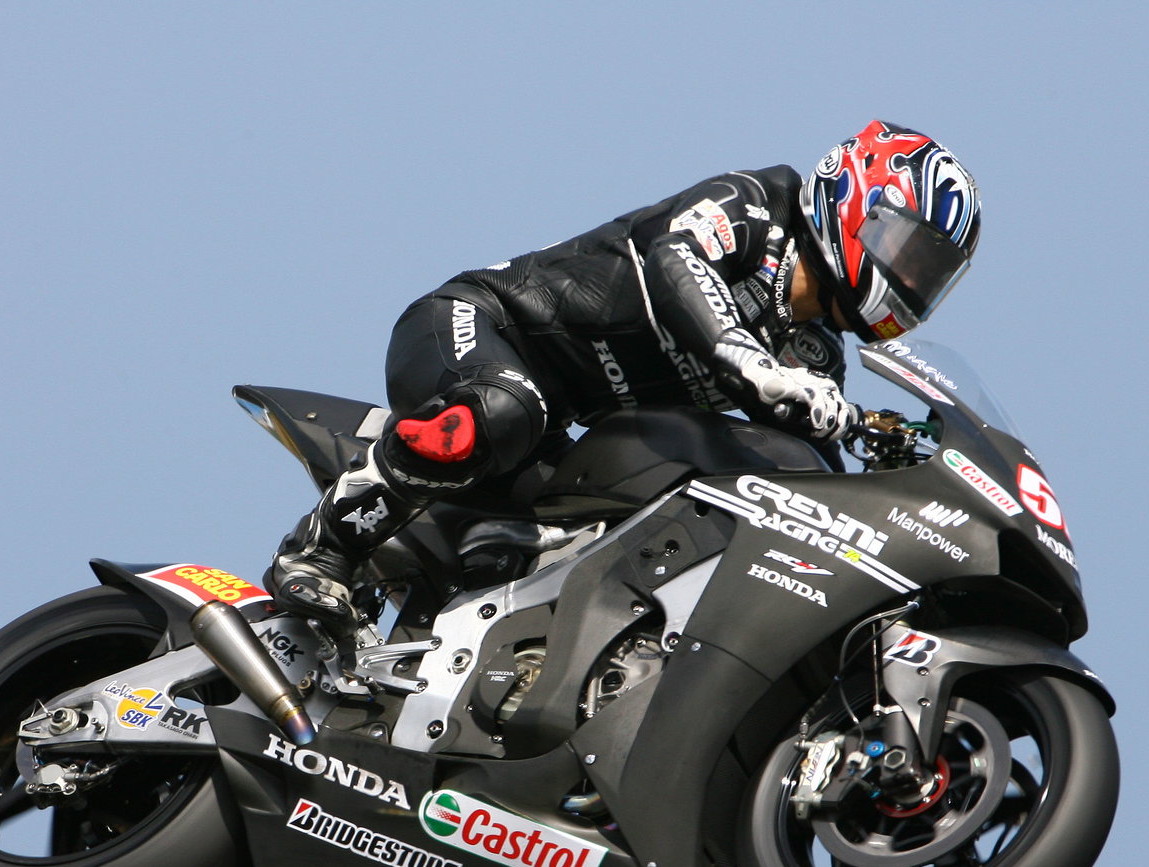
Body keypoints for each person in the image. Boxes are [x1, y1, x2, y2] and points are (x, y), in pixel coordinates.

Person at [266, 120, 982, 634]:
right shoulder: (757, 204)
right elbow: (678, 260)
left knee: (586, 533)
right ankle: (322, 546)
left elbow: (795, 477)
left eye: (928, 277)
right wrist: (752, 364)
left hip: (554, 431)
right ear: (858, 197)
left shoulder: (817, 358)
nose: (909, 281)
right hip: (475, 326)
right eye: (907, 252)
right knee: (506, 405)